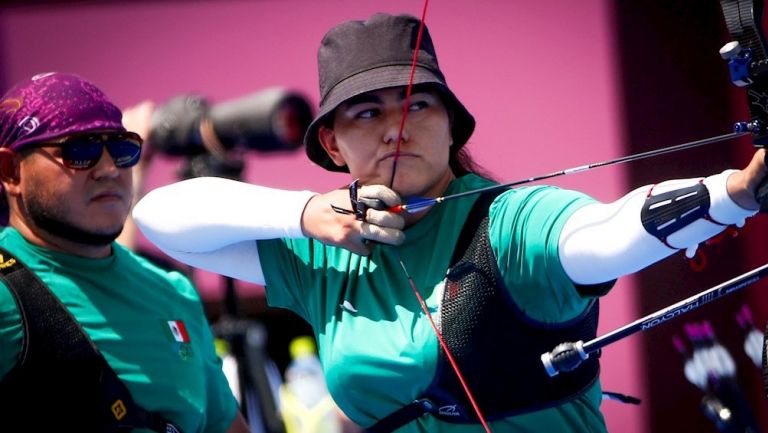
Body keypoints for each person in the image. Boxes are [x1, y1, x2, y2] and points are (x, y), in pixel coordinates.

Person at [132, 13, 768, 433]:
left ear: (450, 124)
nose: (396, 126)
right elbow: (158, 217)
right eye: (366, 113)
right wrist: (302, 214)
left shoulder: (512, 220)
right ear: (330, 144)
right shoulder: (323, 251)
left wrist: (734, 193)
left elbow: (605, 235)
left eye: (418, 103)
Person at [0, 72, 250, 433]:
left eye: (122, 149)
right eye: (79, 151)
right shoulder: (7, 294)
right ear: (10, 171)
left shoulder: (172, 290)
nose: (108, 169)